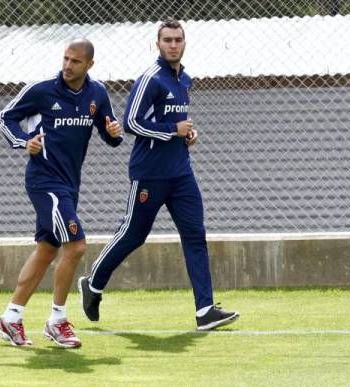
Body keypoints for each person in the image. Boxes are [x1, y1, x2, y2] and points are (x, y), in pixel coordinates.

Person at [78, 20, 239, 331]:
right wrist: (171, 131)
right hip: (150, 173)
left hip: (181, 174)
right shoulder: (150, 78)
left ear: (184, 44)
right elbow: (131, 123)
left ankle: (205, 310)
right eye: (167, 40)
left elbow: (177, 123)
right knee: (134, 234)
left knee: (195, 236)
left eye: (178, 40)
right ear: (158, 44)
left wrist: (188, 134)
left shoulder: (184, 80)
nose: (173, 45)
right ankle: (93, 282)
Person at [0, 38, 123, 348]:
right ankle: (57, 319)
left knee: (47, 250)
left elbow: (108, 132)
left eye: (75, 61)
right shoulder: (42, 89)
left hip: (69, 185)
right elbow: (5, 117)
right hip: (44, 182)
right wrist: (25, 141)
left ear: (89, 65)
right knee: (76, 245)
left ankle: (10, 318)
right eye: (65, 58)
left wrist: (114, 134)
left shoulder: (97, 93)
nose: (67, 65)